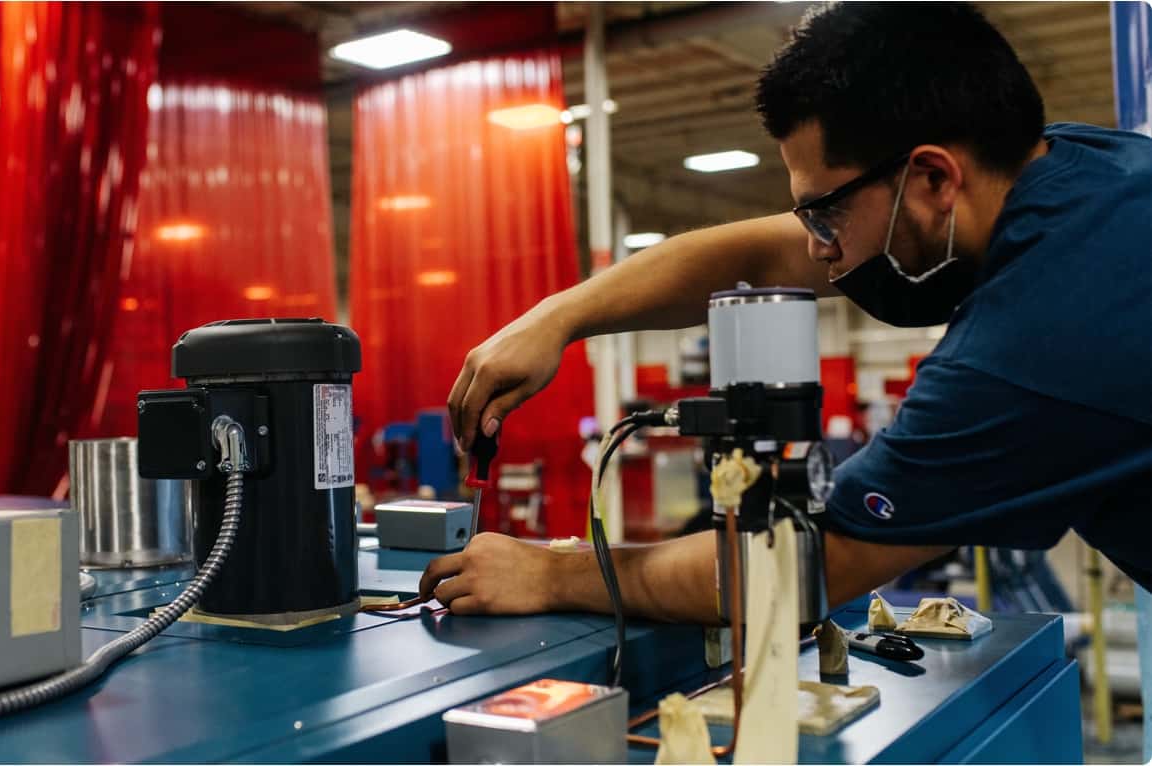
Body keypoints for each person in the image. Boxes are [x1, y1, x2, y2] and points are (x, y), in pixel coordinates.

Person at [419, 1, 1151, 641]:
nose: (814, 246)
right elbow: (759, 255)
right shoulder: (1085, 172)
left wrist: (554, 577)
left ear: (934, 177)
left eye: (823, 210)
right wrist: (558, 317)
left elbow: (800, 568)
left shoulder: (1034, 341)